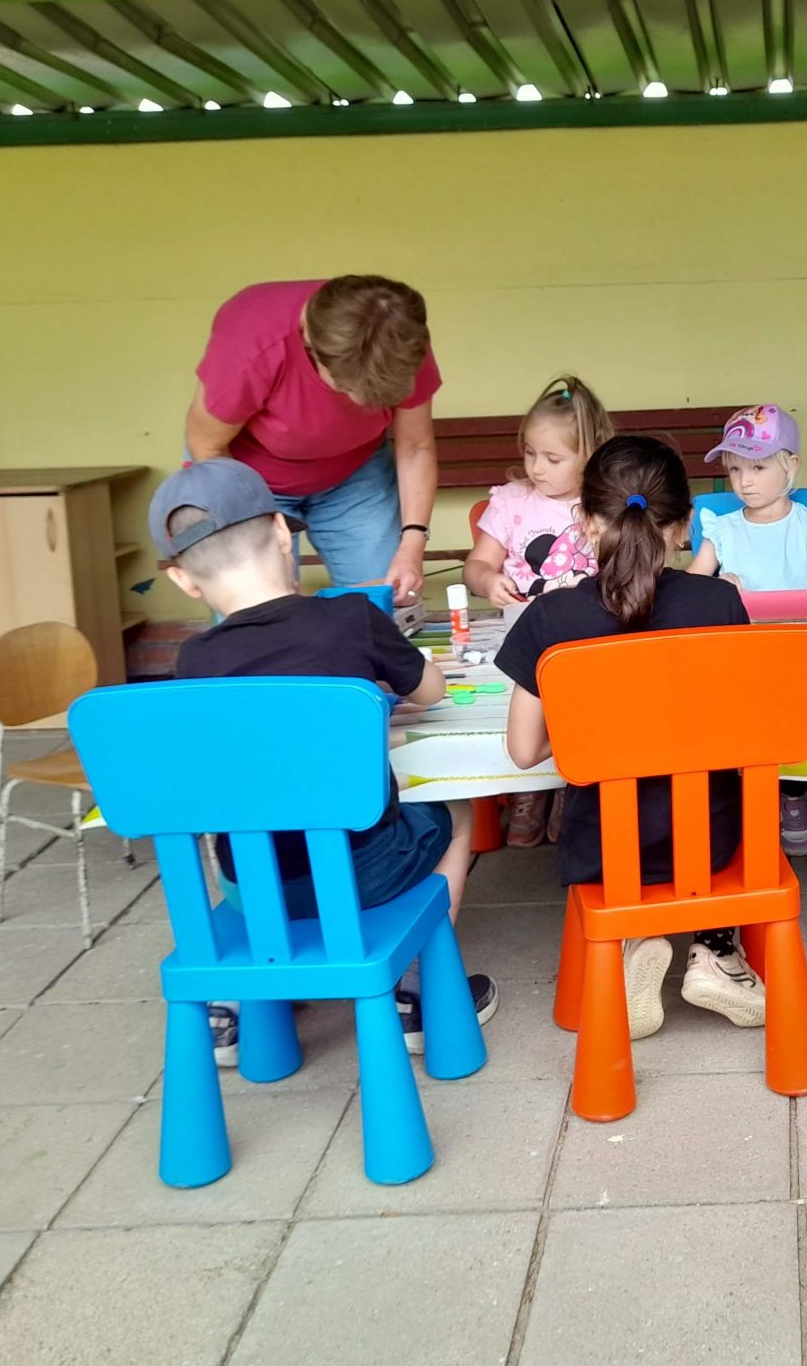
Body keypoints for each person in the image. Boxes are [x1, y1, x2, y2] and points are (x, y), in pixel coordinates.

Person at [151, 457, 498, 1066]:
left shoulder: (194, 663)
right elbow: (431, 690)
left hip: (251, 888)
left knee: (238, 822)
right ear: (284, 534)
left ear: (184, 580)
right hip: (367, 871)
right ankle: (415, 987)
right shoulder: (352, 620)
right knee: (459, 812)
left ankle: (243, 995)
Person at [497, 434, 765, 1036]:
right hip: (713, 842)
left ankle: (636, 940)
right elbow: (739, 727)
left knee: (625, 838)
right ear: (685, 526)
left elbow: (523, 750)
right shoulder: (720, 602)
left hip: (603, 848)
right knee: (704, 813)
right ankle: (715, 952)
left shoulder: (550, 617)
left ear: (585, 522)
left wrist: (592, 729)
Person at [687, 403, 807, 854]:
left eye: (757, 467)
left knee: (797, 709)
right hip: (740, 651)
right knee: (726, 708)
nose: (744, 481)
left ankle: (796, 794)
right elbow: (689, 588)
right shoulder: (723, 529)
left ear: (790, 465)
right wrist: (716, 586)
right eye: (735, 469)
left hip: (801, 650)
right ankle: (752, 791)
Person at [185, 276, 439, 604]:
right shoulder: (252, 344)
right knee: (257, 609)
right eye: (347, 389)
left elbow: (415, 446)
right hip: (246, 476)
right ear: (310, 345)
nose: (360, 406)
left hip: (356, 472)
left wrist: (412, 545)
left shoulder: (399, 338)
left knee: (385, 602)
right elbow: (208, 446)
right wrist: (253, 534)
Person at [463, 375, 613, 848]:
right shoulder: (512, 501)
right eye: (530, 453)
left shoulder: (604, 504)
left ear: (590, 454)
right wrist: (487, 580)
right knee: (523, 707)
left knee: (584, 704)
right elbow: (477, 565)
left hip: (587, 641)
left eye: (552, 458)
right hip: (523, 638)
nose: (536, 467)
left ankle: (571, 784)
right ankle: (529, 788)